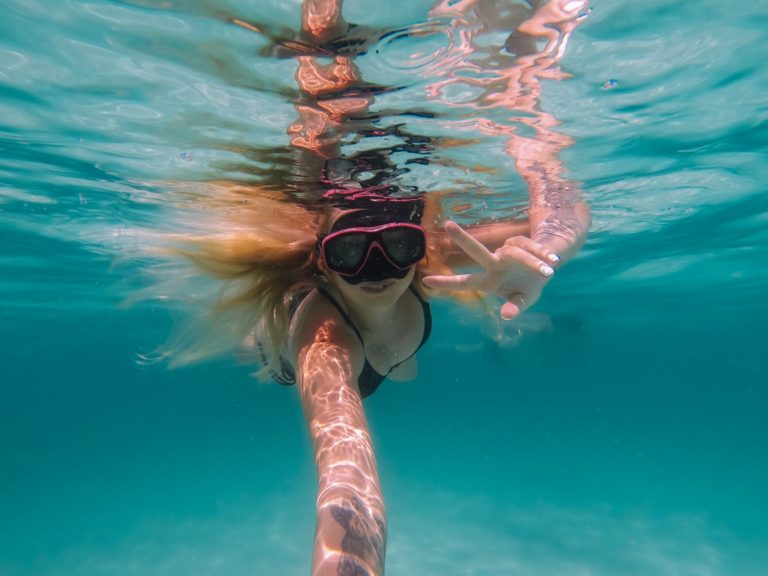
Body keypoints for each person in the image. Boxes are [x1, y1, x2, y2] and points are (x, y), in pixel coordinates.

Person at [175, 1, 590, 574]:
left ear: (418, 245)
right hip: (287, 347)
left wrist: (549, 251)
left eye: (398, 246)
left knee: (328, 58)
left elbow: (566, 202)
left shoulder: (434, 255)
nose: (377, 268)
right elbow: (345, 480)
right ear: (323, 261)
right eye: (348, 253)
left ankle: (325, 36)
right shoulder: (324, 340)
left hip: (388, 353)